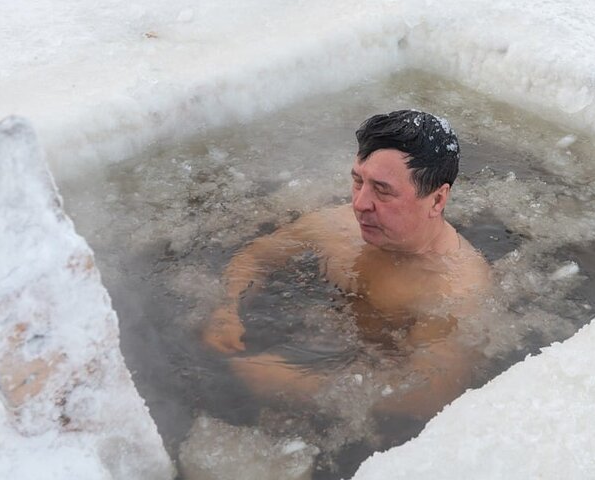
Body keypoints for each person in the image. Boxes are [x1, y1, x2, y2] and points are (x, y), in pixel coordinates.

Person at [201, 109, 491, 419]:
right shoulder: (339, 226)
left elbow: (429, 393)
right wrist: (227, 308)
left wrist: (294, 382)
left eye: (382, 190)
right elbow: (258, 256)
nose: (359, 204)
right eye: (358, 181)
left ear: (437, 200)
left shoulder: (455, 285)